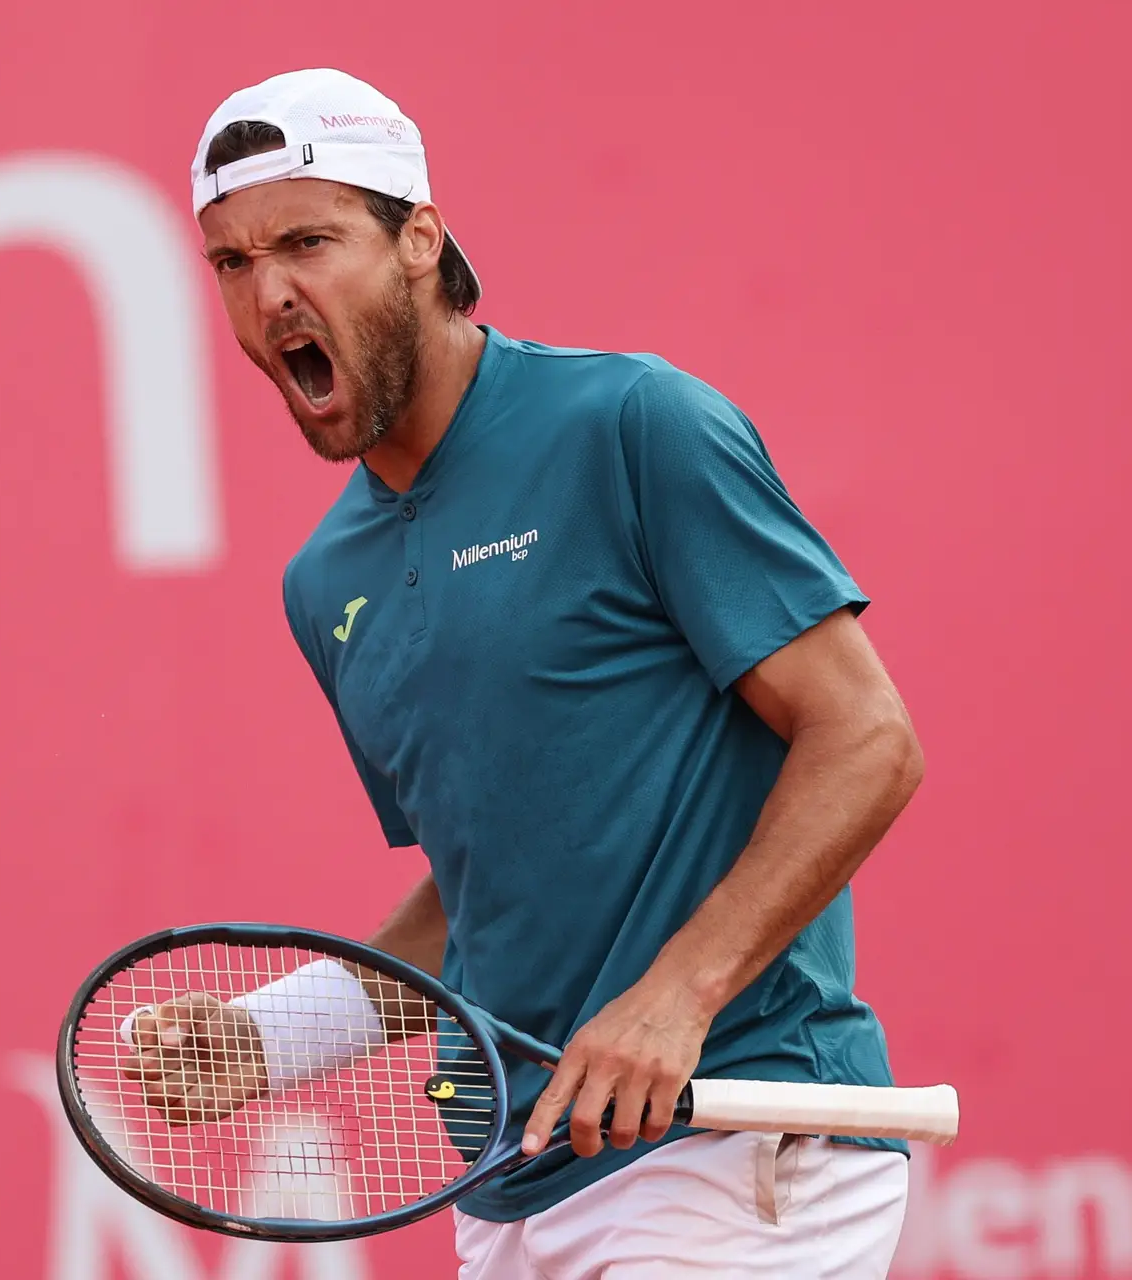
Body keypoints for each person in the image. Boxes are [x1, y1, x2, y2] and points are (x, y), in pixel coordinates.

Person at [142, 67, 926, 1277]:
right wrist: (270, 1037)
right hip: (512, 1186)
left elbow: (867, 736)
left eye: (308, 240)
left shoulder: (634, 423)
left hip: (735, 1139)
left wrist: (679, 995)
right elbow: (481, 884)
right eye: (232, 264)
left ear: (419, 239)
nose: (272, 293)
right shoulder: (323, 581)